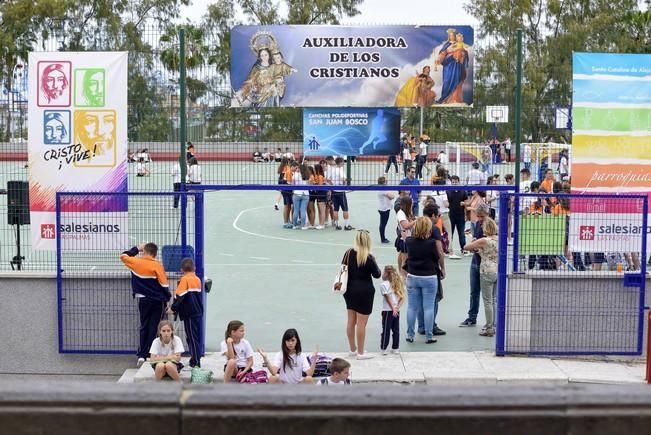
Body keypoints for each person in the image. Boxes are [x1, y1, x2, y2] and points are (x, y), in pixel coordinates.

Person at [120, 243, 170, 367]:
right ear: (155, 254)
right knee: (154, 327)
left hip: (143, 301)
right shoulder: (157, 265)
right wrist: (167, 298)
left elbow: (123, 256)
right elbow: (164, 285)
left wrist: (137, 248)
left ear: (144, 251)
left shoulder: (135, 262)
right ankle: (150, 354)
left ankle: (141, 355)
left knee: (144, 326)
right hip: (158, 301)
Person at [342, 230, 381, 359]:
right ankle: (361, 352)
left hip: (349, 290)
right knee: (361, 323)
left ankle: (353, 349)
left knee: (351, 320)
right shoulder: (368, 257)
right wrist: (373, 259)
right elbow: (377, 274)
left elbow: (343, 268)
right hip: (365, 291)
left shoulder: (348, 253)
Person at [403, 217, 440, 344]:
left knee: (412, 307)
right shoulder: (431, 243)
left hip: (413, 276)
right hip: (429, 277)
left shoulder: (409, 241)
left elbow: (406, 241)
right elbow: (436, 257)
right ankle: (429, 336)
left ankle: (410, 334)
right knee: (428, 307)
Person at [464, 217, 499, 337]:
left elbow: (466, 247)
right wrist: (480, 251)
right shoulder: (499, 239)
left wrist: (474, 242)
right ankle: (493, 324)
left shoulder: (484, 240)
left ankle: (489, 327)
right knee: (493, 299)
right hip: (497, 270)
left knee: (487, 300)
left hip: (486, 271)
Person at [459, 203, 490, 327]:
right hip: (475, 261)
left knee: (489, 296)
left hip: (486, 264)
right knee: (474, 292)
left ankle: (492, 322)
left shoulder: (491, 227)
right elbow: (476, 240)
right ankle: (472, 317)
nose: (480, 219)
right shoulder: (477, 224)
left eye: (482, 216)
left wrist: (477, 247)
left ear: (487, 214)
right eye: (478, 216)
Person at [170, 258, 203, 368]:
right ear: (195, 268)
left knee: (192, 338)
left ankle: (196, 363)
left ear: (181, 270)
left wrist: (173, 308)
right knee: (194, 337)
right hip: (198, 312)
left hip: (189, 314)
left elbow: (179, 296)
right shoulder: (197, 279)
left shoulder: (184, 280)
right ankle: (194, 360)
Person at [422, 203, 447, 336]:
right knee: (434, 298)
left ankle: (421, 326)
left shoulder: (416, 225)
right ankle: (431, 326)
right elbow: (440, 250)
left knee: (419, 301)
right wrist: (442, 268)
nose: (439, 217)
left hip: (415, 269)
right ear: (432, 215)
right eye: (438, 215)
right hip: (431, 270)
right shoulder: (434, 229)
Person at [436, 30, 470, 104]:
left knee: (457, 80)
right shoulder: (447, 44)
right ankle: (445, 99)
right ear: (449, 36)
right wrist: (439, 59)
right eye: (450, 35)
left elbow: (464, 52)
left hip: (457, 65)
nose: (452, 37)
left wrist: (461, 53)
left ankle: (455, 99)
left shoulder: (459, 43)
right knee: (447, 80)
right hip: (448, 65)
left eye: (453, 35)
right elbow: (442, 53)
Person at [380, 265, 405, 355]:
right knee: (396, 329)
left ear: (386, 273)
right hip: (396, 311)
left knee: (386, 329)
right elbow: (402, 297)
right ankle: (395, 348)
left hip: (387, 311)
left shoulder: (383, 285)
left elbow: (387, 297)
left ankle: (384, 348)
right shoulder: (399, 284)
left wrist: (393, 308)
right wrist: (397, 308)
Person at [328, 157, 353, 230]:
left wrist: (333, 185)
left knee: (335, 209)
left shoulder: (332, 170)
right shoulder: (340, 170)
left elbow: (328, 179)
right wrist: (345, 183)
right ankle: (346, 225)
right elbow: (343, 179)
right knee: (345, 209)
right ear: (340, 162)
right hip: (341, 191)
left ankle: (337, 225)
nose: (343, 163)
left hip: (334, 191)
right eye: (343, 162)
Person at [447, 175, 469, 258]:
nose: (454, 183)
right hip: (451, 215)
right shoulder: (448, 191)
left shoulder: (463, 191)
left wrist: (465, 204)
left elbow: (467, 202)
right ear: (451, 182)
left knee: (462, 233)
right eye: (453, 182)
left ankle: (463, 249)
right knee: (450, 234)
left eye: (456, 182)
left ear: (459, 182)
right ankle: (449, 249)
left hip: (460, 216)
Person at [396, 196, 416, 277]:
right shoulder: (401, 213)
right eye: (411, 203)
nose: (412, 205)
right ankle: (403, 276)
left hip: (407, 238)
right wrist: (416, 221)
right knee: (405, 259)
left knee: (402, 255)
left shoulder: (407, 212)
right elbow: (405, 226)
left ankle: (401, 273)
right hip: (404, 239)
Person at [377, 176, 395, 244]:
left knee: (383, 223)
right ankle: (383, 239)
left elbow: (390, 197)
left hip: (383, 208)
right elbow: (392, 196)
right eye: (386, 181)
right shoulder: (383, 190)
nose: (387, 182)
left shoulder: (382, 189)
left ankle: (383, 238)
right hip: (384, 209)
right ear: (383, 182)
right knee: (383, 224)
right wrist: (391, 194)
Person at [291, 164, 310, 229]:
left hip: (296, 193)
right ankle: (303, 225)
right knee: (303, 210)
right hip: (305, 194)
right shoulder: (307, 175)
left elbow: (292, 184)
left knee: (296, 210)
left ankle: (294, 225)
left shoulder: (295, 174)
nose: (297, 169)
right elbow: (309, 184)